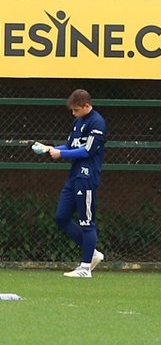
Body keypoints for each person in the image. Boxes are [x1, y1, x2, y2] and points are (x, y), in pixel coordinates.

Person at [46, 89, 107, 278]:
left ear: (87, 106)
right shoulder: (77, 122)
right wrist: (53, 149)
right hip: (74, 176)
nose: (73, 113)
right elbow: (72, 146)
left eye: (76, 110)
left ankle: (85, 267)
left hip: (87, 176)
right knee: (61, 217)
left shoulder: (97, 122)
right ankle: (93, 253)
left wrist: (62, 154)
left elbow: (87, 151)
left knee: (87, 221)